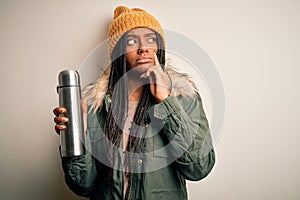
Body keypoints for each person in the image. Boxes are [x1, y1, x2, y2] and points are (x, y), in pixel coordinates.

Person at [53, 5, 215, 200]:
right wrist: (76, 137)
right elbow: (84, 186)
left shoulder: (183, 97)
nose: (143, 48)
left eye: (150, 39)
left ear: (159, 48)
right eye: (131, 41)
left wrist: (166, 102)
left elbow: (199, 168)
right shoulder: (95, 106)